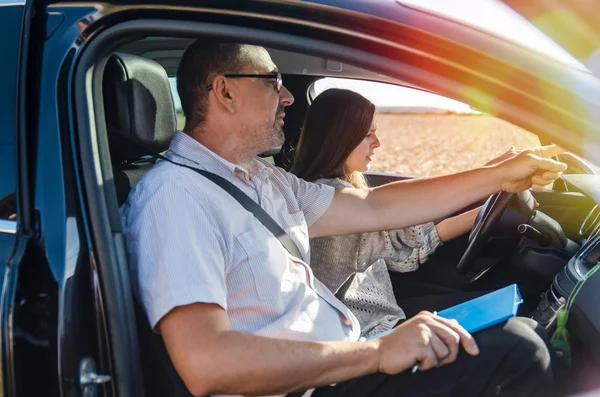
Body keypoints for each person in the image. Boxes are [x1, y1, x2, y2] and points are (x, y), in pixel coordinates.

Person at [121, 40, 567, 397]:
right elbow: (206, 364)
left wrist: (497, 175)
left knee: (519, 329)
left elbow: (376, 208)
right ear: (225, 91)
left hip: (340, 361)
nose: (289, 96)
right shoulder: (175, 198)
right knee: (520, 353)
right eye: (273, 81)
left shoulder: (262, 181)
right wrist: (376, 352)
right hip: (314, 383)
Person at [291, 88, 483, 338]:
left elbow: (404, 257)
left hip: (385, 319)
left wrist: (480, 213)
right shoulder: (332, 201)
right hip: (370, 334)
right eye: (367, 134)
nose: (377, 143)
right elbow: (405, 235)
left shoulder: (343, 191)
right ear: (340, 137)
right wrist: (490, 178)